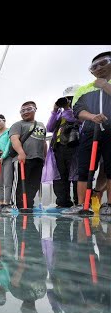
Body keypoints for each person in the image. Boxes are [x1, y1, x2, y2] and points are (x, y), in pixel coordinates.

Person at [63, 51, 111, 216]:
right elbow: (77, 110)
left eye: (103, 63)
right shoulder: (84, 89)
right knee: (84, 168)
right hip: (90, 132)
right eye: (94, 66)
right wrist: (92, 117)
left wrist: (105, 86)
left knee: (110, 168)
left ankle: (109, 205)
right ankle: (82, 204)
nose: (98, 68)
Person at [46, 85, 80, 208]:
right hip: (59, 147)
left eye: (71, 98)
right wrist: (55, 110)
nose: (69, 101)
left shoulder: (80, 109)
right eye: (67, 99)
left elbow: (71, 118)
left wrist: (66, 108)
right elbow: (49, 127)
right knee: (60, 176)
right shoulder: (60, 113)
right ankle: (63, 202)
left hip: (75, 146)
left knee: (77, 175)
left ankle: (79, 202)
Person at [9, 101, 47, 210]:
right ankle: (17, 205)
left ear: (35, 109)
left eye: (28, 109)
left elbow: (43, 142)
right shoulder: (18, 124)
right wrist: (21, 152)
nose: (25, 112)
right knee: (20, 184)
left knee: (34, 184)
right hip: (22, 159)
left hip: (38, 158)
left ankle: (29, 204)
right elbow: (14, 139)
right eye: (23, 110)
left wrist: (45, 157)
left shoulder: (41, 125)